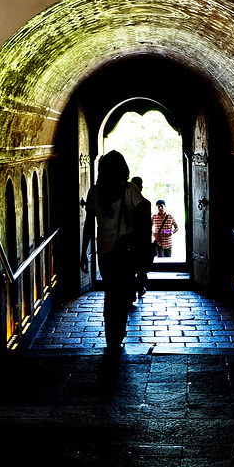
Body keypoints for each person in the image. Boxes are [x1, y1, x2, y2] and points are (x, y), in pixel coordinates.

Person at [80, 151, 151, 355]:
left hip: (104, 253)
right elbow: (144, 209)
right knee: (121, 295)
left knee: (111, 293)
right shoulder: (129, 189)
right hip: (125, 251)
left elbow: (88, 226)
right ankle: (118, 334)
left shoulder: (95, 192)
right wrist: (142, 238)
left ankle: (111, 335)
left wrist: (84, 252)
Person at [130, 176, 151, 298]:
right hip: (142, 240)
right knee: (141, 268)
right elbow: (148, 225)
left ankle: (132, 291)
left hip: (131, 240)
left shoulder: (127, 205)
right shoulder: (146, 203)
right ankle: (140, 287)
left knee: (131, 268)